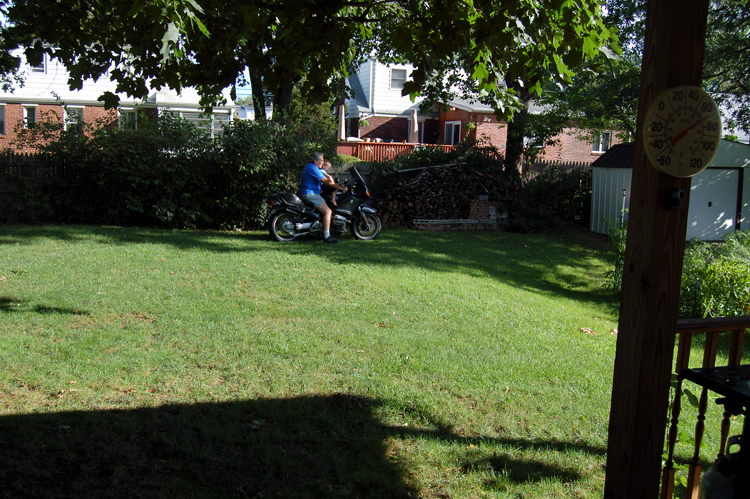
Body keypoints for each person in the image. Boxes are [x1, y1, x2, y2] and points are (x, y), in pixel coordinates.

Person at [299, 152, 346, 244]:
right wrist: (341, 188)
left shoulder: (310, 167)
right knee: (328, 211)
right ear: (315, 160)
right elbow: (326, 182)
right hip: (311, 194)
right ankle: (327, 236)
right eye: (321, 160)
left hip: (308, 193)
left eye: (323, 161)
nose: (323, 163)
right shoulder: (313, 168)